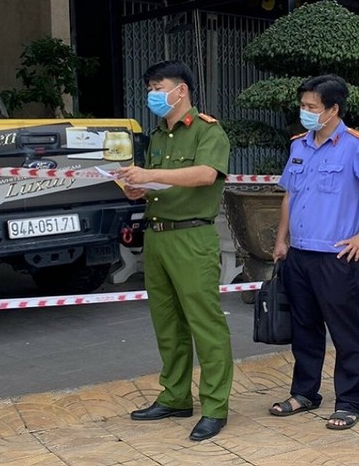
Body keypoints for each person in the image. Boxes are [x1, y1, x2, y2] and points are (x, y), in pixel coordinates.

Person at [113, 60, 233, 442]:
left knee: (205, 323)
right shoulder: (158, 136)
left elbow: (205, 175)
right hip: (158, 236)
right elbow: (162, 184)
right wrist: (140, 188)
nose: (152, 94)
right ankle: (176, 396)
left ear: (181, 90)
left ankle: (215, 406)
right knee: (168, 324)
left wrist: (150, 175)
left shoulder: (207, 131)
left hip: (192, 238)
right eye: (148, 87)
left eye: (157, 86)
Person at [270, 74, 359, 431]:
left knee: (347, 332)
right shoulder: (299, 145)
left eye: (312, 107)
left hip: (338, 257)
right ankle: (305, 392)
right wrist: (282, 240)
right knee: (304, 328)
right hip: (299, 255)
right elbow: (288, 195)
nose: (305, 112)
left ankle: (351, 400)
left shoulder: (357, 146)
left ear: (333, 109)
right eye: (303, 106)